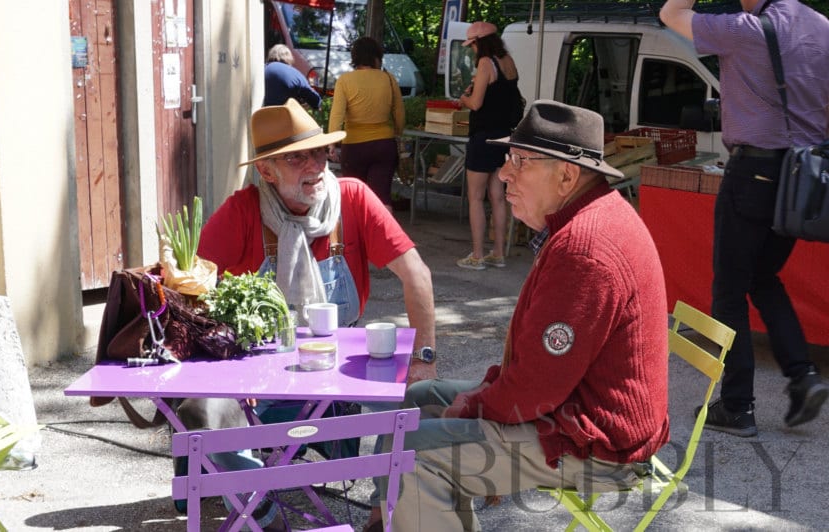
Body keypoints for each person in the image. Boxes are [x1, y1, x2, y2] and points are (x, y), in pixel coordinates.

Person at [375, 100, 670, 531]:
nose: (504, 173)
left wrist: (478, 406)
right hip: (574, 407)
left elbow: (536, 388)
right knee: (416, 400)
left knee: (409, 455)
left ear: (567, 175)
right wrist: (483, 400)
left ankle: (406, 511)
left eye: (519, 161)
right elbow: (538, 374)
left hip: (595, 440)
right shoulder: (589, 217)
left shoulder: (585, 248)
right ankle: (392, 519)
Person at [191, 98, 437, 530]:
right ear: (266, 171)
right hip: (262, 366)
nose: (316, 165)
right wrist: (227, 370)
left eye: (320, 151)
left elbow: (416, 273)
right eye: (297, 157)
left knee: (420, 401)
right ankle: (260, 511)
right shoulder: (242, 211)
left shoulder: (353, 198)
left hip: (339, 364)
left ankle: (384, 513)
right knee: (202, 406)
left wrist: (425, 358)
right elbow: (192, 293)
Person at [661, 0, 829, 437]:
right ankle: (802, 373)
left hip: (752, 172)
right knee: (763, 276)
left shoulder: (743, 29)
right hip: (801, 177)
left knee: (730, 288)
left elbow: (670, 14)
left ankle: (737, 405)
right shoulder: (821, 26)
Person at [455, 22, 521, 271]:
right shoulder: (508, 62)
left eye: (472, 45)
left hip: (483, 138)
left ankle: (478, 255)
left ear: (478, 42)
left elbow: (476, 103)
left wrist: (463, 97)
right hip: (504, 138)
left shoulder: (485, 64)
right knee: (498, 198)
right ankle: (499, 253)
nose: (472, 50)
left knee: (475, 197)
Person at [328, 36, 405, 212]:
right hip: (384, 145)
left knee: (354, 198)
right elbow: (399, 113)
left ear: (355, 57)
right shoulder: (388, 79)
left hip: (354, 147)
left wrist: (332, 142)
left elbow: (337, 114)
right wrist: (398, 133)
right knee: (382, 197)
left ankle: (357, 237)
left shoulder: (345, 81)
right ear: (377, 56)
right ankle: (384, 237)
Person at [263, 44, 321, 109]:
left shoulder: (263, 69)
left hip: (258, 115)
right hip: (283, 115)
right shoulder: (295, 74)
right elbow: (315, 100)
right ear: (289, 58)